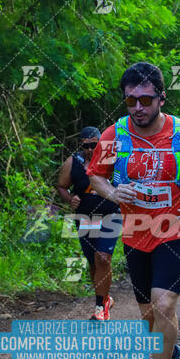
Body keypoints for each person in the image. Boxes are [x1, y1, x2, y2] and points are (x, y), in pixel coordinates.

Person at [87, 62, 180, 359]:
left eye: (145, 100)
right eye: (130, 101)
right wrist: (113, 192)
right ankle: (172, 353)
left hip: (174, 229)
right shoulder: (114, 135)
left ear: (162, 98)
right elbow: (95, 174)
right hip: (135, 231)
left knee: (164, 306)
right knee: (148, 316)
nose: (137, 108)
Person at [57, 127, 122, 320]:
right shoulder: (73, 162)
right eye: (86, 146)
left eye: (94, 145)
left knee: (103, 257)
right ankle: (104, 299)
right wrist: (70, 199)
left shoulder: (114, 159)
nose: (90, 149)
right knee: (93, 262)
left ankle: (100, 309)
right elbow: (61, 186)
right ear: (81, 145)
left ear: (101, 143)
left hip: (111, 215)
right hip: (85, 217)